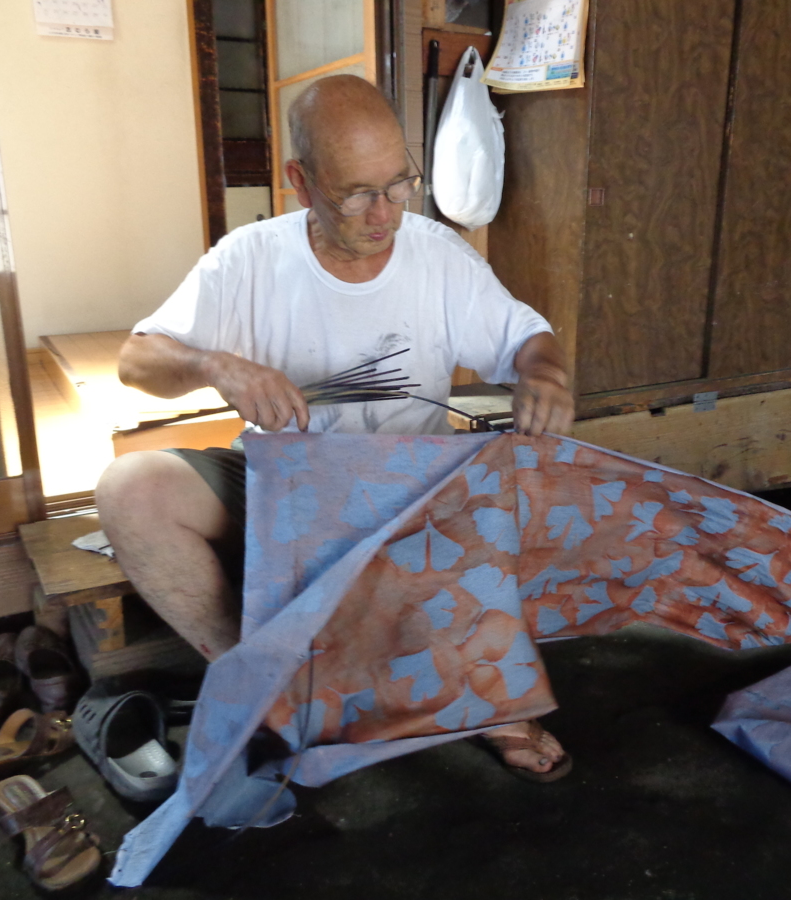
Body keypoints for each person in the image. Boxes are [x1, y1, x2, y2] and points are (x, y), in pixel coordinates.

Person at [96, 75, 574, 777]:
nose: (385, 214)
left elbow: (526, 337)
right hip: (284, 491)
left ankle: (490, 693)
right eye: (357, 193)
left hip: (410, 497)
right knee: (131, 487)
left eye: (398, 185)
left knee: (505, 492)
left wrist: (546, 376)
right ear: (300, 181)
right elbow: (136, 362)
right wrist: (217, 366)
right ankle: (263, 680)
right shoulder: (249, 259)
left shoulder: (439, 256)